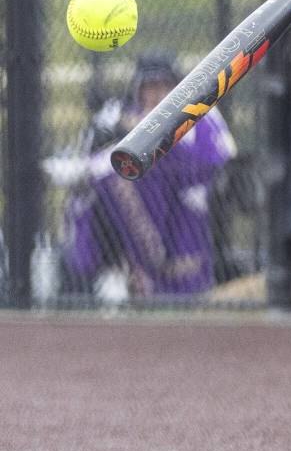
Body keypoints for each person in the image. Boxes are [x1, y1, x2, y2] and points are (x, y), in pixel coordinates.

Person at [60, 51, 235, 300]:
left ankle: (167, 278)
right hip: (137, 201)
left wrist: (161, 140)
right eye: (150, 86)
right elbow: (94, 161)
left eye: (164, 85)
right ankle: (110, 275)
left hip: (188, 195)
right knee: (108, 181)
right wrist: (128, 128)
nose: (157, 94)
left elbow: (223, 159)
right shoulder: (123, 114)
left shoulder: (200, 110)